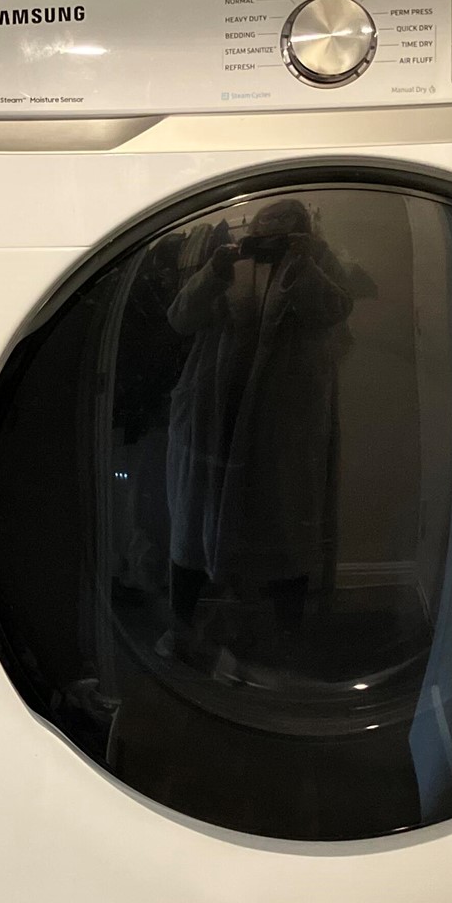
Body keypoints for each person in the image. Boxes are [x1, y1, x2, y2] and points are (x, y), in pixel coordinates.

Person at [159, 197, 356, 678]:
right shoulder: (226, 257)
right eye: (263, 231)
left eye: (281, 233)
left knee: (285, 518)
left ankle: (288, 635)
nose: (268, 240)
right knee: (194, 517)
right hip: (212, 408)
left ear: (302, 231)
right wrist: (216, 269)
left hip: (281, 419)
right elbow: (180, 318)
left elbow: (334, 310)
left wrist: (302, 260)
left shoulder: (318, 258)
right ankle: (183, 624)